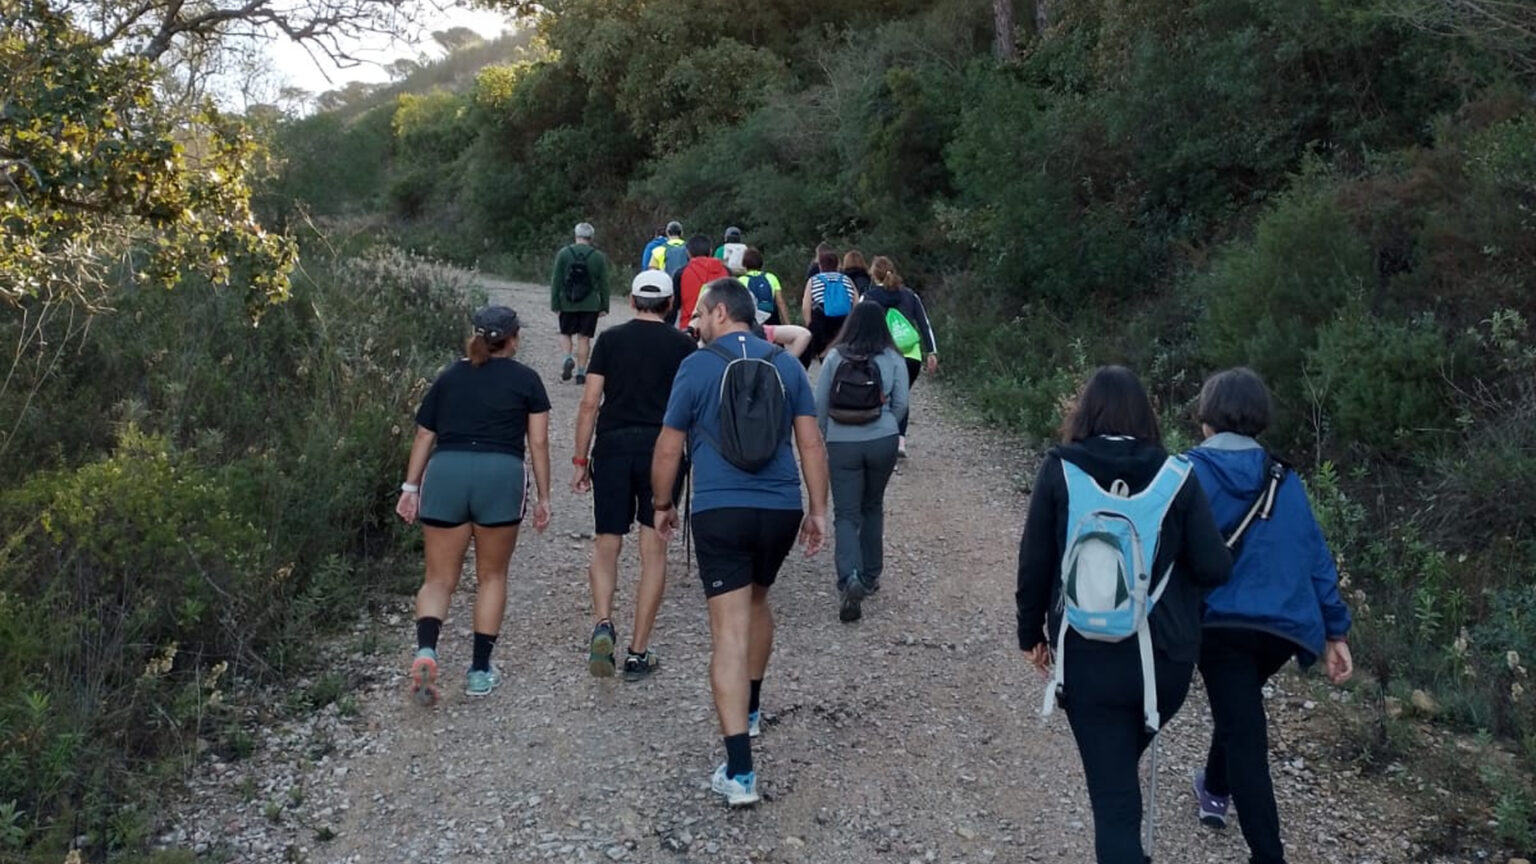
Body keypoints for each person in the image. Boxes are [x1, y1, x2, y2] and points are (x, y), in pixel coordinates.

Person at [1016, 366, 1231, 864]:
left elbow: (1035, 562)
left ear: (1085, 411)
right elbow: (1214, 568)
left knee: (1113, 801)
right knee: (1117, 776)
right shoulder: (1177, 475)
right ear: (1145, 415)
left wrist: (1031, 634)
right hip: (1164, 662)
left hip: (1086, 659)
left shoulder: (1060, 468)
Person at [652, 278, 829, 807]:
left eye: (702, 314)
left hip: (721, 509)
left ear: (723, 313)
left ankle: (740, 773)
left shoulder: (698, 365)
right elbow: (810, 442)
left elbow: (669, 445)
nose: (698, 322)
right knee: (757, 599)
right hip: (779, 507)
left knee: (728, 632)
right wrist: (818, 511)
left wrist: (662, 504)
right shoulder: (788, 365)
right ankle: (751, 708)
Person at [1185, 368, 1353, 864]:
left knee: (1244, 731)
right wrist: (1335, 631)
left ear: (1206, 419)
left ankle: (1268, 854)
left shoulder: (1186, 473)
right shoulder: (1288, 480)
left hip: (1220, 627)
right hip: (1283, 629)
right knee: (1238, 711)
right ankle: (1214, 788)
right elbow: (1316, 557)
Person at [396, 306, 553, 703]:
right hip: (500, 475)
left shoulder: (449, 376)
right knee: (492, 577)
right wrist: (544, 496)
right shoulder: (527, 381)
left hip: (446, 472)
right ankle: (480, 671)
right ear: (514, 338)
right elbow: (538, 442)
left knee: (437, 578)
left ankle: (427, 650)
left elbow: (423, 436)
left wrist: (410, 487)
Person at [572, 271, 699, 681]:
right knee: (653, 550)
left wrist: (579, 459)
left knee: (606, 543)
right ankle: (638, 652)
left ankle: (603, 624)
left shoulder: (608, 341)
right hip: (662, 450)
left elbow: (590, 403)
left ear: (631, 300)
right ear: (669, 303)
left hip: (612, 448)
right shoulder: (684, 346)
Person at [814, 302, 909, 622]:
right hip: (881, 439)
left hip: (843, 441)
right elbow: (901, 404)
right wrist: (886, 427)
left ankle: (849, 577)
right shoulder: (893, 357)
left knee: (845, 514)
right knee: (872, 505)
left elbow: (821, 404)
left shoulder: (836, 356)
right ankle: (870, 575)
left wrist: (831, 435)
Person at [864, 256, 938, 458]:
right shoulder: (910, 295)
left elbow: (860, 327)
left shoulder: (868, 297)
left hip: (882, 354)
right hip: (911, 356)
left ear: (873, 274)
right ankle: (900, 441)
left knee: (882, 397)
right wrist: (932, 351)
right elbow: (924, 324)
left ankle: (882, 439)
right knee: (901, 396)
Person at [550, 222, 611, 385]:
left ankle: (567, 358)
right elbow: (604, 283)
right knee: (584, 338)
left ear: (576, 236)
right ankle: (581, 373)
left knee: (565, 333)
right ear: (591, 237)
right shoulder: (598, 256)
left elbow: (556, 280)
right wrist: (604, 305)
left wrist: (555, 302)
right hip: (590, 304)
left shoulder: (564, 253)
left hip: (567, 302)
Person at [801, 250, 859, 362]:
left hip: (822, 321)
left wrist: (810, 327)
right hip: (843, 322)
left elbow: (806, 306)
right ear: (838, 265)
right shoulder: (847, 280)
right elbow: (856, 303)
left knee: (822, 357)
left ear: (820, 265)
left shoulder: (814, 280)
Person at [676, 234, 729, 333]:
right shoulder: (726, 271)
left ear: (688, 252)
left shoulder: (682, 273)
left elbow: (674, 307)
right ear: (710, 251)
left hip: (690, 329)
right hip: (720, 328)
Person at [737, 247, 790, 327]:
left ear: (745, 264)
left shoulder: (741, 281)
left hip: (752, 320)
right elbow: (780, 303)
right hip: (772, 319)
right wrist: (788, 324)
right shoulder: (772, 277)